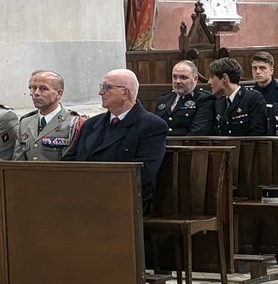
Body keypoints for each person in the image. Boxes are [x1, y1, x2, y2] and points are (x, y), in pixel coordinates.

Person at [63, 69, 167, 213]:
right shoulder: (91, 124)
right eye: (102, 87)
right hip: (83, 196)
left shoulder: (151, 125)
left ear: (125, 93)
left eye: (107, 87)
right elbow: (68, 161)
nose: (101, 92)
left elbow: (143, 173)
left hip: (124, 201)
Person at [13, 70, 84, 161]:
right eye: (33, 88)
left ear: (59, 93)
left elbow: (75, 163)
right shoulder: (25, 122)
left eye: (43, 89)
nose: (36, 93)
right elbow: (17, 162)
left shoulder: (74, 123)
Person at [206, 57, 268, 136]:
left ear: (224, 78)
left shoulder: (252, 98)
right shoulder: (219, 103)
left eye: (212, 77)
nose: (209, 82)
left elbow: (258, 134)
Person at [152, 60, 214, 136]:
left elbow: (198, 132)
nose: (177, 81)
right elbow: (154, 128)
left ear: (195, 79)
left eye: (183, 77)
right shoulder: (164, 100)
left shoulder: (204, 99)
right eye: (175, 77)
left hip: (186, 146)